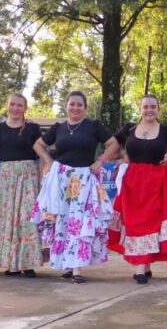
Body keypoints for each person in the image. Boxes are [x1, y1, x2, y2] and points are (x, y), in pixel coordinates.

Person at [31, 91, 120, 284]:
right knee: (62, 220)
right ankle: (69, 265)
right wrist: (48, 161)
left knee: (79, 222)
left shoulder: (93, 126)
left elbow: (113, 144)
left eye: (79, 105)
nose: (75, 108)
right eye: (72, 104)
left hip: (84, 179)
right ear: (66, 106)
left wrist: (100, 162)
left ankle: (77, 268)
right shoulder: (58, 127)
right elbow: (38, 145)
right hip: (61, 179)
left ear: (85, 108)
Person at [106, 95, 167, 284]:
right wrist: (116, 156)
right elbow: (110, 143)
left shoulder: (165, 131)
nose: (149, 110)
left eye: (153, 107)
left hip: (156, 183)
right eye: (145, 107)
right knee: (134, 223)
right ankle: (144, 266)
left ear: (158, 109)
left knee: (150, 224)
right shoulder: (129, 129)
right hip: (132, 183)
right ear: (140, 109)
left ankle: (140, 268)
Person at [0, 94, 42, 278]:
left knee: (26, 219)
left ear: (25, 108)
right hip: (4, 178)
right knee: (6, 220)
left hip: (27, 177)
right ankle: (10, 264)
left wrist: (41, 178)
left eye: (19, 105)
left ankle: (27, 263)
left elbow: (40, 152)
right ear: (7, 106)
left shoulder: (32, 128)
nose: (15, 108)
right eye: (12, 104)